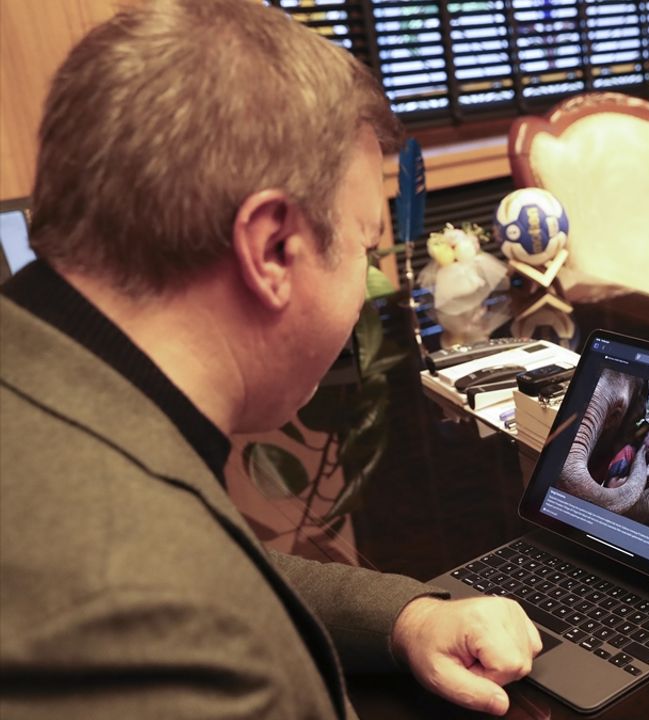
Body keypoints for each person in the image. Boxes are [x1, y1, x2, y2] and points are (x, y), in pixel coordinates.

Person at [0, 1, 539, 717]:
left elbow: (211, 563)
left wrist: (405, 618)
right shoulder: (161, 631)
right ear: (273, 250)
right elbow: (183, 594)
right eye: (364, 249)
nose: (366, 285)